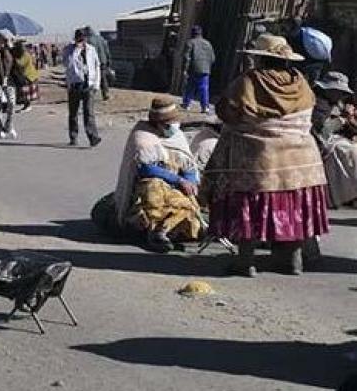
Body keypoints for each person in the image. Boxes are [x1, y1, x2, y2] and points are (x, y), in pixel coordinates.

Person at [204, 34, 330, 277]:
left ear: (261, 59)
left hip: (260, 160)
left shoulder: (249, 81)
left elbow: (226, 112)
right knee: (293, 207)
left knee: (250, 207)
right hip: (302, 160)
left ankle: (245, 262)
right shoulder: (301, 82)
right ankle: (291, 260)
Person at [112, 99, 203, 253]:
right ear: (159, 123)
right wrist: (178, 180)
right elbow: (145, 168)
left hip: (176, 186)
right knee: (153, 188)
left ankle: (168, 230)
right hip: (149, 185)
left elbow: (188, 165)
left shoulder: (178, 137)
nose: (173, 127)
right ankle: (155, 231)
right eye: (168, 124)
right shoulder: (143, 136)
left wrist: (190, 181)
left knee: (187, 204)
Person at [311, 71, 357, 207]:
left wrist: (349, 120)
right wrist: (341, 121)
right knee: (350, 152)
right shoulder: (318, 104)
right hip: (320, 142)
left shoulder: (335, 103)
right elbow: (321, 129)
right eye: (338, 91)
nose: (341, 95)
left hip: (334, 138)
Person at [62, 28, 103, 147]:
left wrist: (96, 84)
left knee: (89, 112)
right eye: (79, 39)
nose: (82, 42)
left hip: (88, 85)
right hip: (75, 84)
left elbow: (97, 66)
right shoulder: (68, 50)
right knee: (73, 113)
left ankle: (93, 137)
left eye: (83, 39)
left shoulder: (91, 50)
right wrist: (76, 51)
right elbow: (67, 64)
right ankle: (73, 136)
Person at [181, 26, 216, 114]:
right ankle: (205, 107)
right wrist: (207, 66)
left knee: (190, 87)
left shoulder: (190, 42)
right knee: (204, 88)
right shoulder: (208, 43)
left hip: (194, 69)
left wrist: (185, 69)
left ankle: (186, 104)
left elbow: (186, 58)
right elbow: (212, 58)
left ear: (192, 33)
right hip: (205, 70)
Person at [84, 26, 112, 101]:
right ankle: (105, 93)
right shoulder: (101, 39)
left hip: (94, 62)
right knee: (103, 78)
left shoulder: (89, 41)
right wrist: (108, 60)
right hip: (103, 61)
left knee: (92, 78)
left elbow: (89, 53)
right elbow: (107, 50)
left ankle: (91, 94)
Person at [12, 41, 39, 112]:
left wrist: (14, 60)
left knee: (27, 92)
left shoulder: (25, 54)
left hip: (29, 75)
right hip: (25, 75)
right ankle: (26, 105)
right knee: (24, 91)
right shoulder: (22, 54)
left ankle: (28, 106)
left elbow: (21, 63)